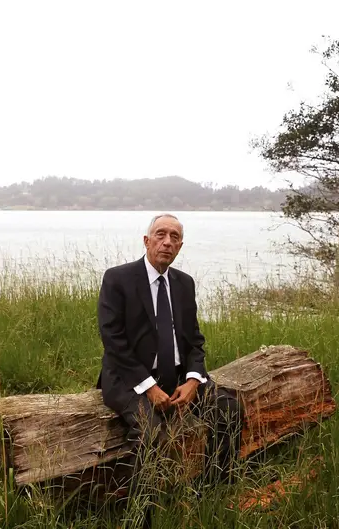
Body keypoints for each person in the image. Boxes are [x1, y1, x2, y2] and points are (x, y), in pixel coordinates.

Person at [95, 213, 243, 521]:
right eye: (160, 235)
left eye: (174, 237)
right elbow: (113, 341)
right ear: (146, 241)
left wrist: (193, 380)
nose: (167, 242)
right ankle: (140, 518)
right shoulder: (118, 279)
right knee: (150, 433)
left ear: (180, 246)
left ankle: (211, 494)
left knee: (229, 409)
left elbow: (195, 341)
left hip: (177, 376)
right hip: (128, 378)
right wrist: (149, 388)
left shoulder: (184, 283)